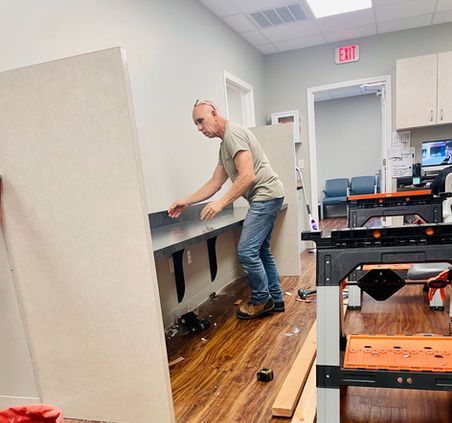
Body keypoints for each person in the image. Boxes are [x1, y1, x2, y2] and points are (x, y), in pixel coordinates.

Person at [168, 100, 285, 319]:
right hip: (269, 196)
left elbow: (247, 175)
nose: (200, 128)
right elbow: (215, 182)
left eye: (201, 121)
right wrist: (186, 201)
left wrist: (221, 203)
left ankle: (262, 300)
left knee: (247, 252)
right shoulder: (225, 145)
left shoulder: (233, 134)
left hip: (265, 196)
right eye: (196, 124)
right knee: (260, 251)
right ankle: (275, 299)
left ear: (213, 112)